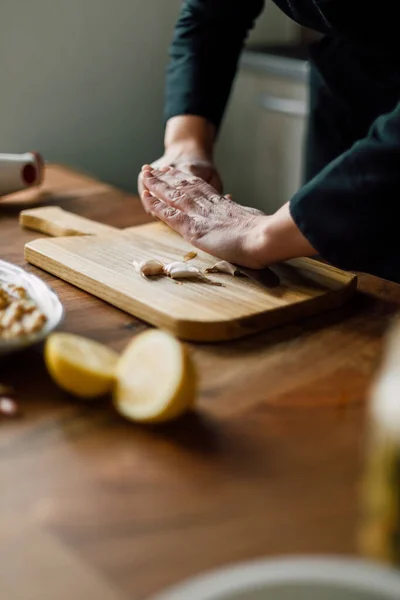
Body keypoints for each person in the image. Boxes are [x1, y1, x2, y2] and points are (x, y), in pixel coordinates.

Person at [138, 1, 400, 281]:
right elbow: (213, 15)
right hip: (348, 88)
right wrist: (185, 145)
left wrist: (259, 236)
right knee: (334, 278)